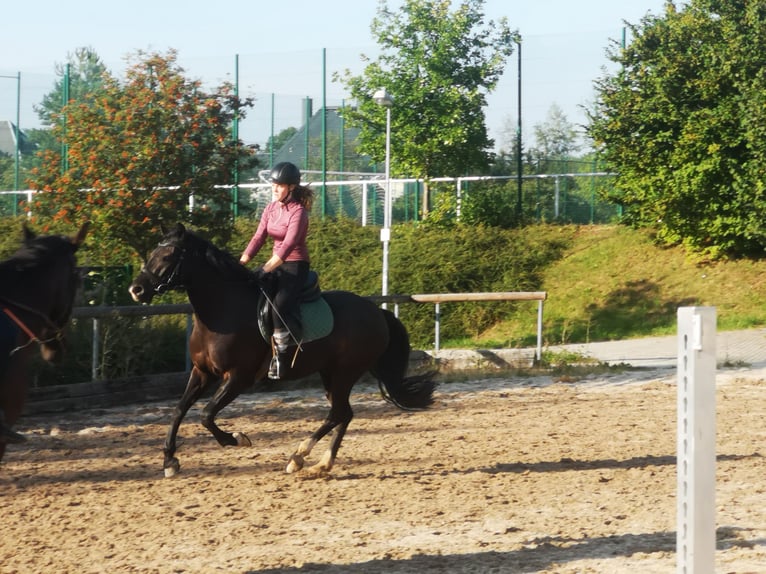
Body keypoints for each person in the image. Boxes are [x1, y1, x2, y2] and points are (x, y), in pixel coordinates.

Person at [240, 161, 314, 379]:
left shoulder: (299, 212)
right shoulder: (270, 209)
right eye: (274, 184)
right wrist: (241, 263)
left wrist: (265, 268)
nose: (275, 189)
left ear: (291, 187)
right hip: (275, 263)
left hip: (295, 266)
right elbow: (258, 237)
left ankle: (281, 358)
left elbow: (288, 245)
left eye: (280, 185)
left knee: (278, 306)